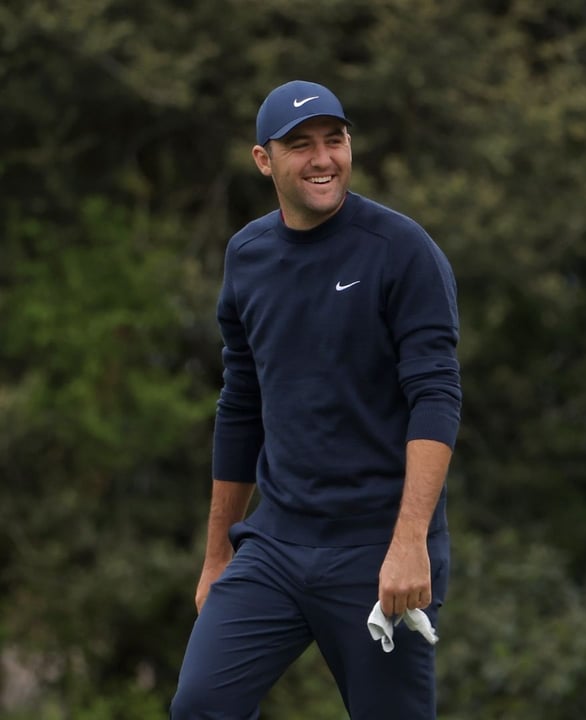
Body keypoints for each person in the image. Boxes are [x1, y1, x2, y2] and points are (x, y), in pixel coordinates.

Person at [171, 80, 462, 719]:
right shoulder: (247, 256)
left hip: (379, 547)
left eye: (334, 140)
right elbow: (240, 405)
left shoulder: (402, 251)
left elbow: (436, 396)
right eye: (300, 145)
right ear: (263, 160)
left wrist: (410, 541)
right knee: (199, 706)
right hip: (276, 543)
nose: (322, 158)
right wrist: (218, 553)